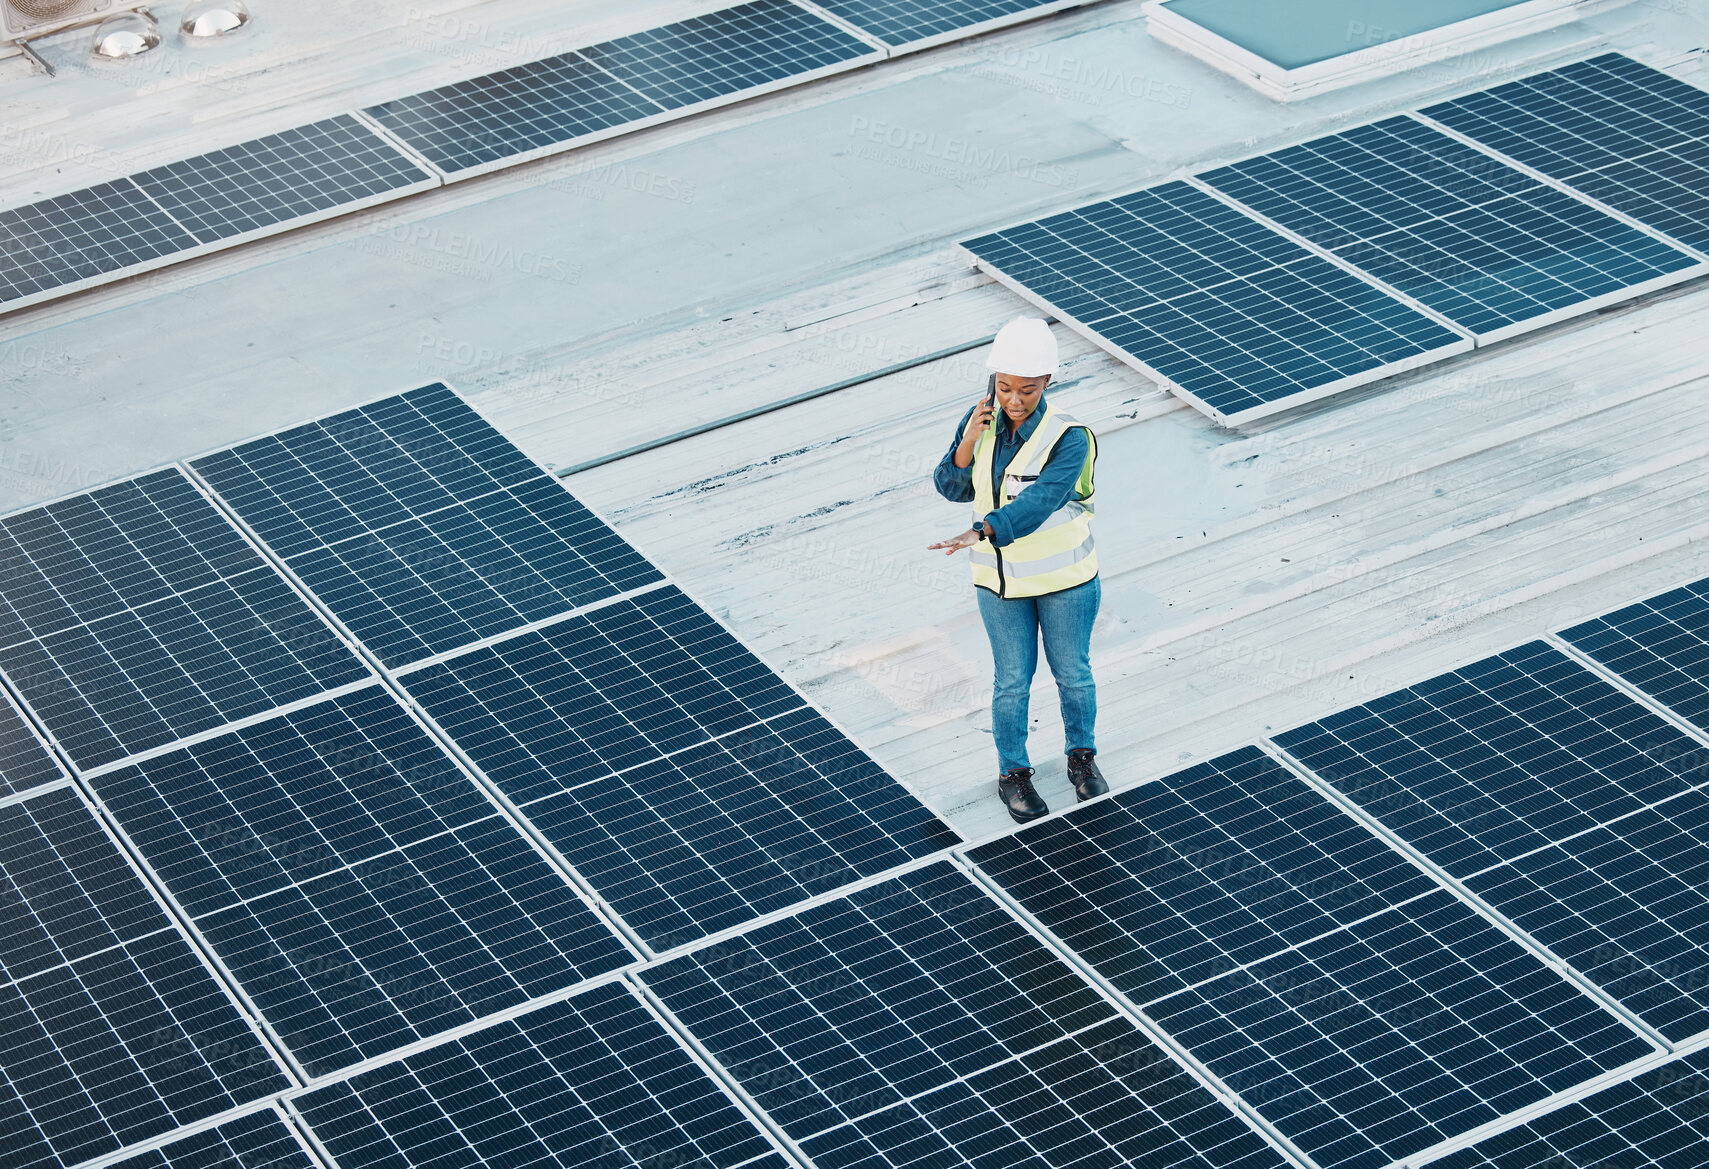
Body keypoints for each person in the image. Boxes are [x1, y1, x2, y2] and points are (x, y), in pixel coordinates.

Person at [928, 317, 1105, 823]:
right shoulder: (980, 419)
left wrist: (980, 530)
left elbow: (1042, 501)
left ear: (1047, 381)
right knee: (1011, 683)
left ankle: (1082, 761)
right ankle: (1013, 775)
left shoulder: (1070, 437)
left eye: (1026, 389)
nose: (1014, 399)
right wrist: (967, 441)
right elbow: (952, 485)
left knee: (1072, 674)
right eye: (1004, 387)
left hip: (1065, 583)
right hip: (1001, 586)